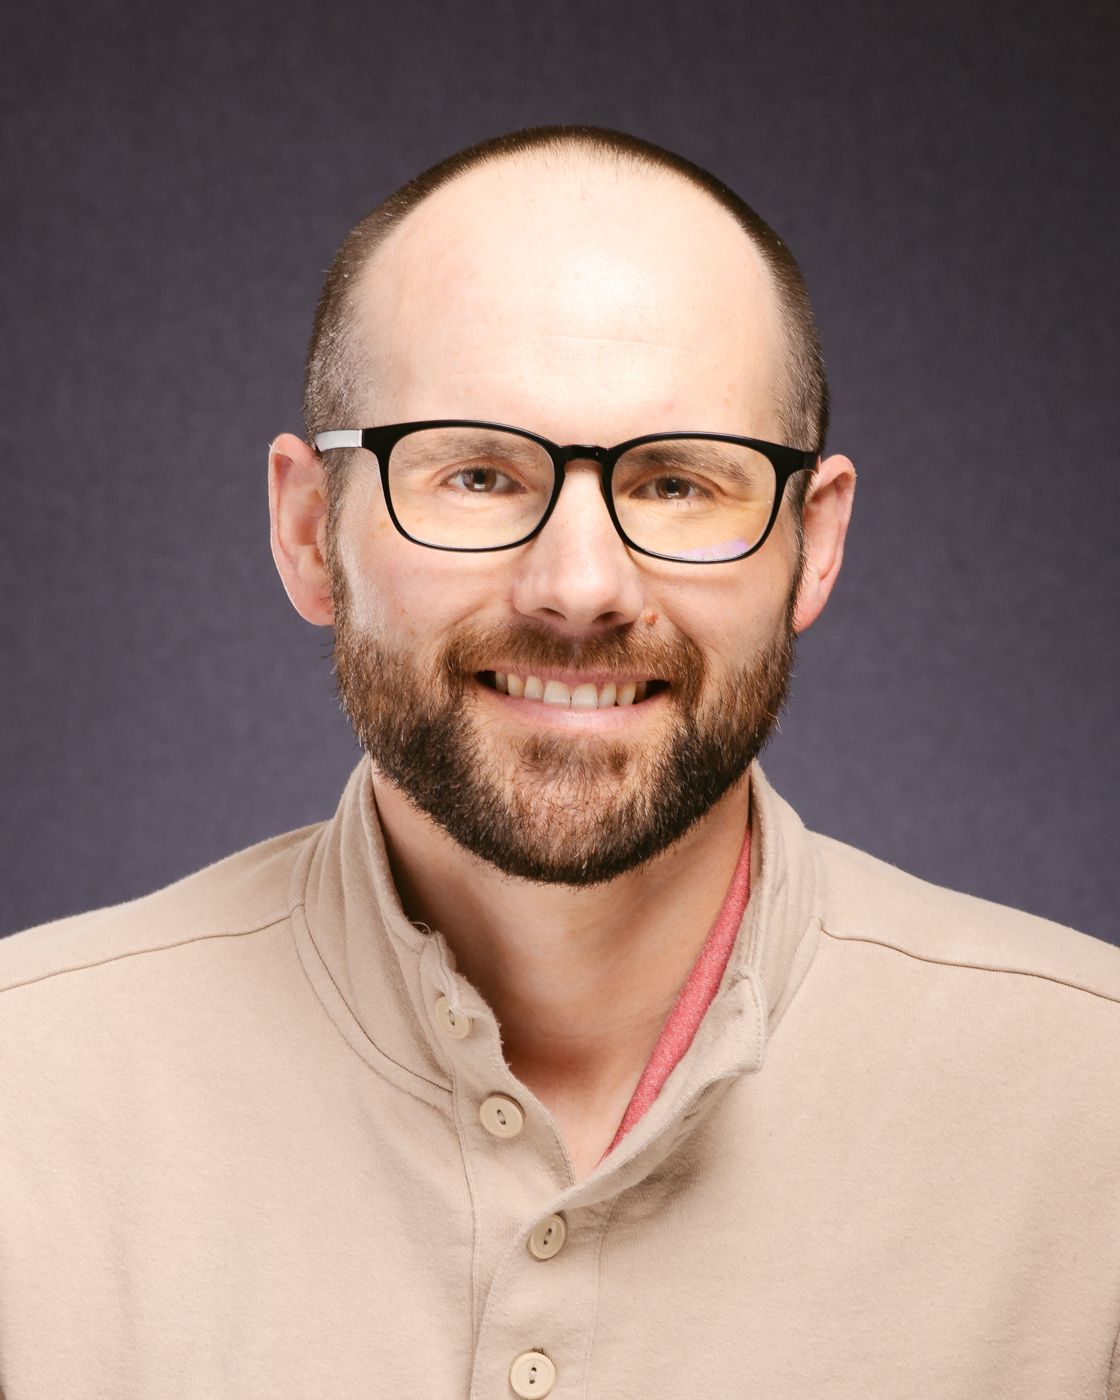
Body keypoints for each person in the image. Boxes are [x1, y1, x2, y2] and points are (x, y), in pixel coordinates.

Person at [1, 125, 1117, 1400]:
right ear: (310, 530)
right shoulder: (21, 1097)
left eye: (677, 484)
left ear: (812, 546)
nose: (579, 588)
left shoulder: (1097, 1118)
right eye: (476, 472)